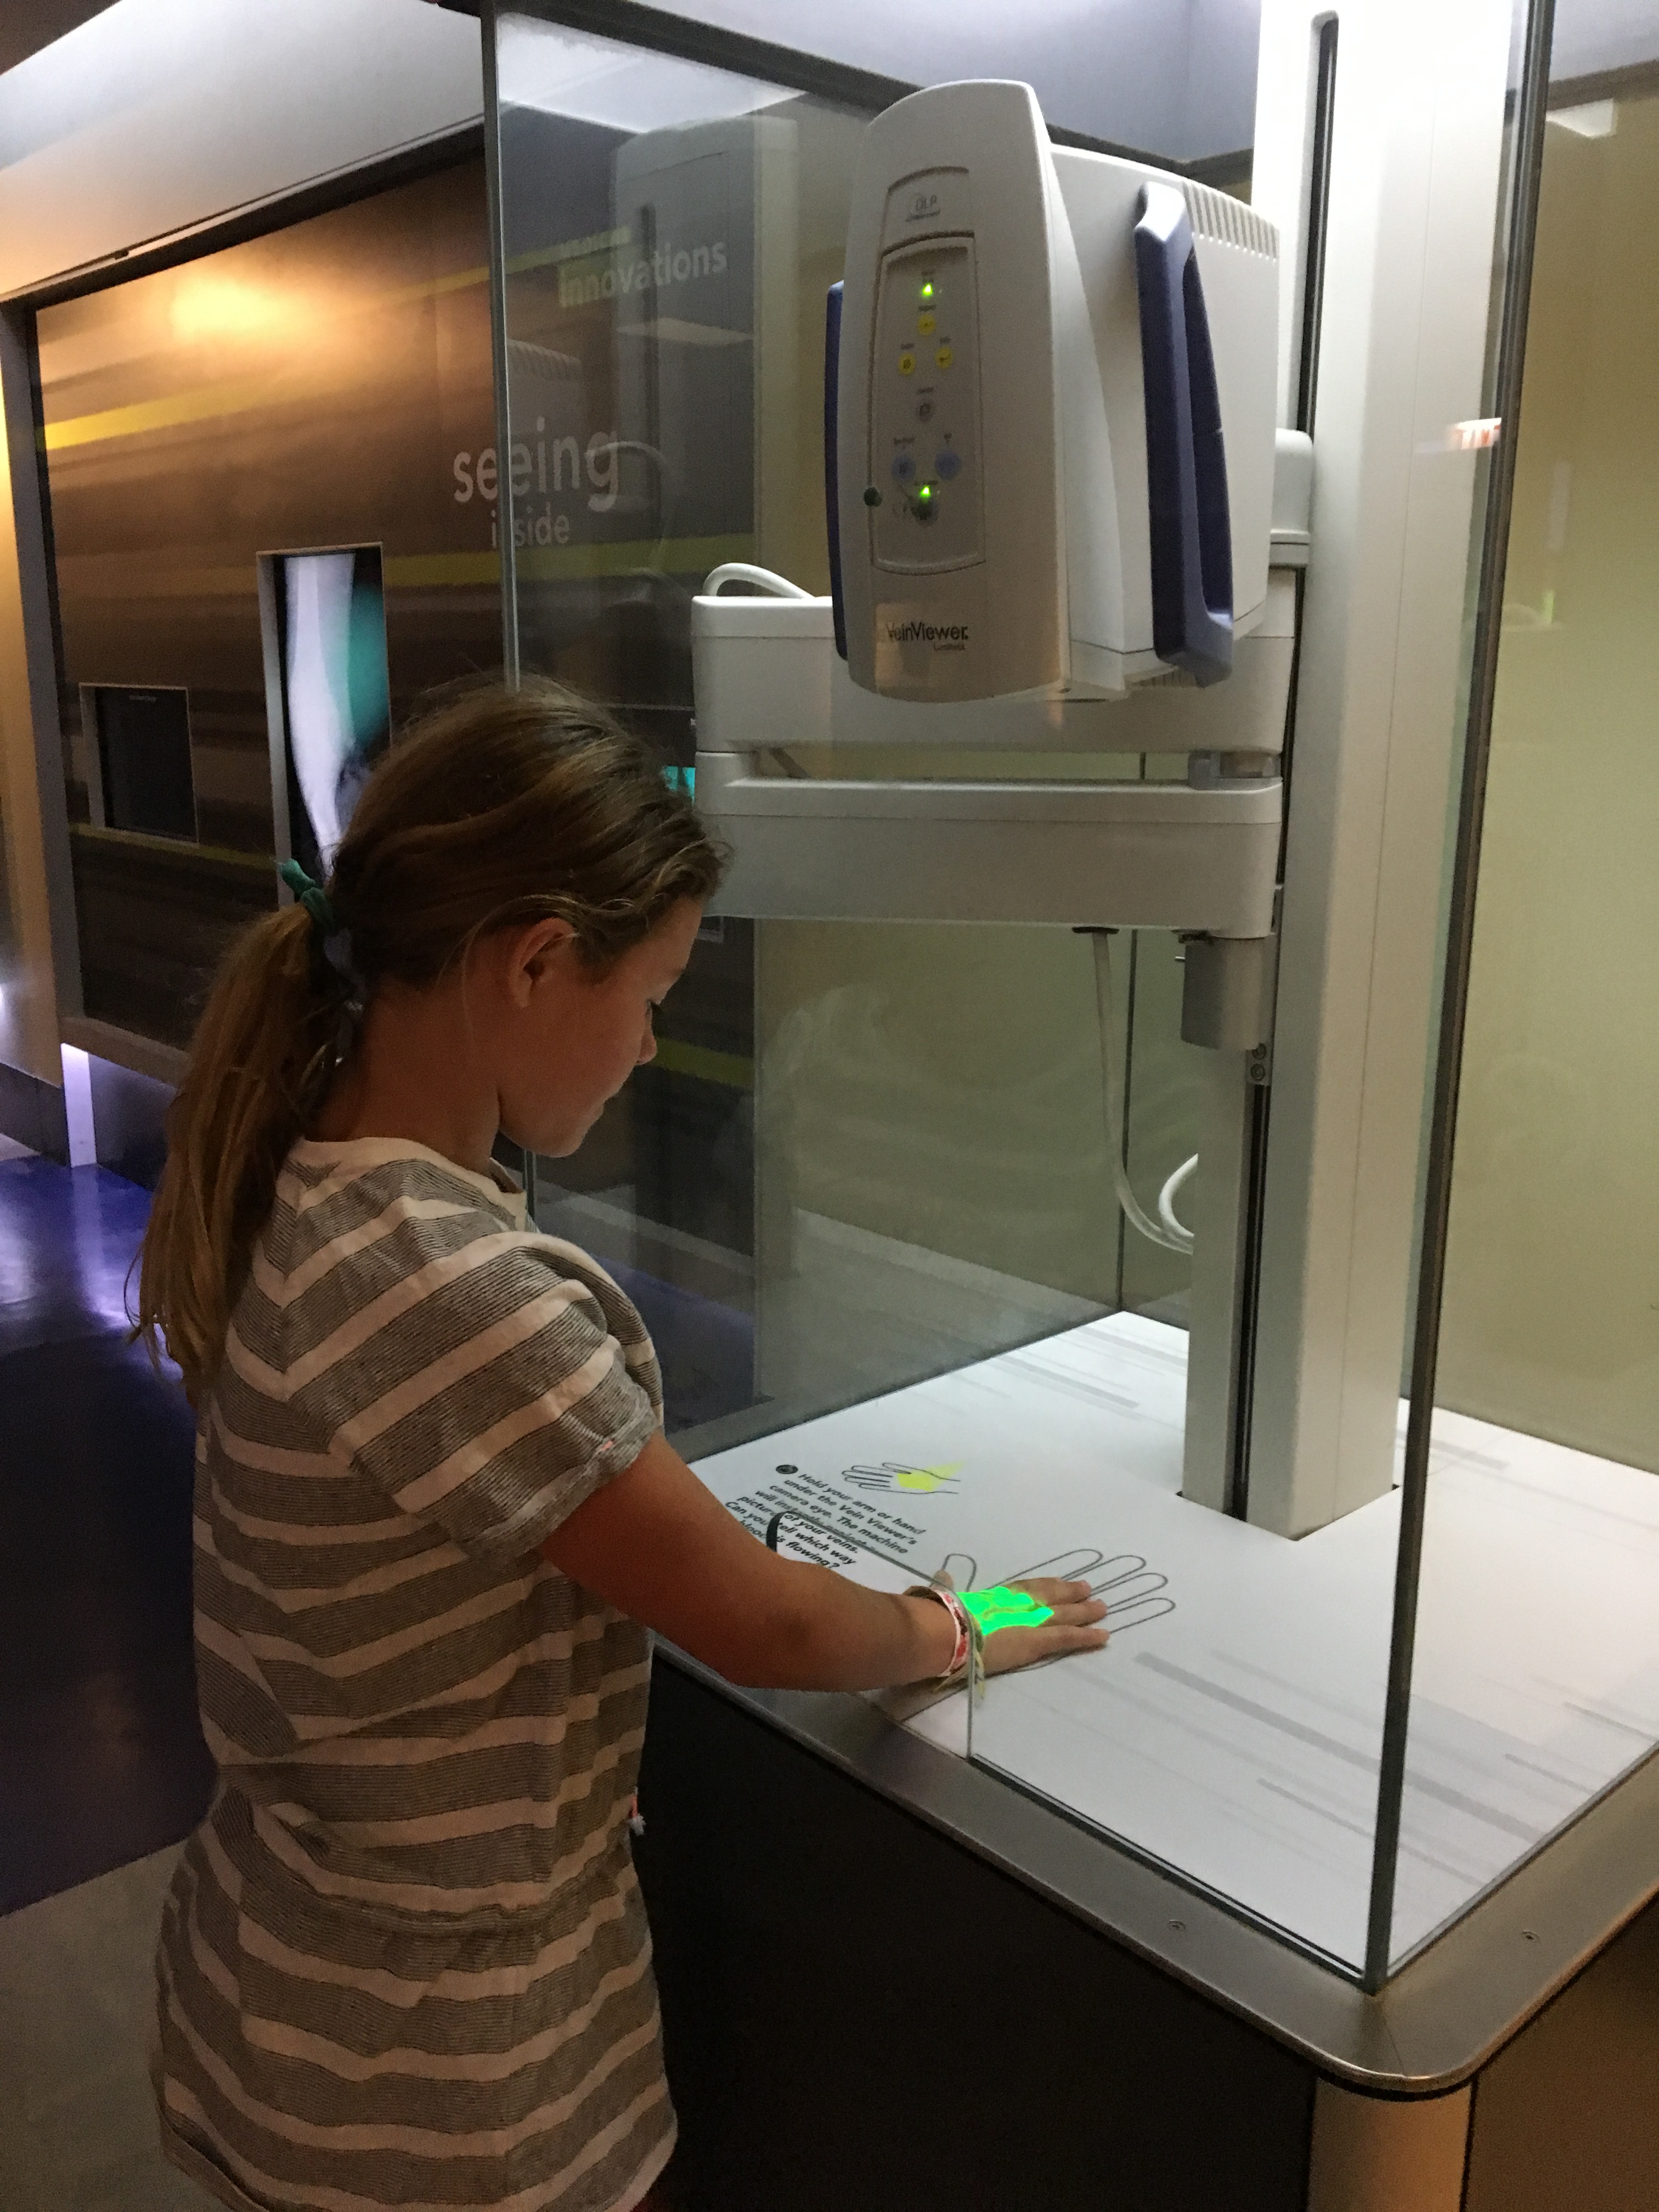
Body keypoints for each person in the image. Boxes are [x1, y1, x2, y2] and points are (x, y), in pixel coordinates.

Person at [136, 678, 1107, 2212]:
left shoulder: (308, 1176)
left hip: (288, 1996)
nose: (652, 1046)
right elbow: (775, 1627)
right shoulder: (456, 1294)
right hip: (450, 2095)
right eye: (649, 995)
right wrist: (961, 1620)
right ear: (533, 962)